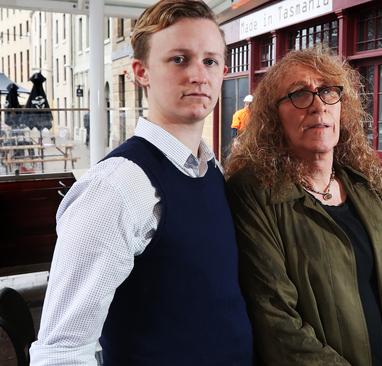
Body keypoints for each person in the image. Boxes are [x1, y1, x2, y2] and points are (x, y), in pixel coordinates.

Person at [30, 1, 253, 365]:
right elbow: (62, 350)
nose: (199, 74)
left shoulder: (211, 170)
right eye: (179, 59)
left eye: (210, 61)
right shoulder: (117, 187)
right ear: (141, 72)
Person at [225, 47, 382, 365]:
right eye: (299, 94)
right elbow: (274, 318)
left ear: (342, 108)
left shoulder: (372, 187)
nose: (318, 105)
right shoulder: (254, 194)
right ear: (273, 115)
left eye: (328, 92)